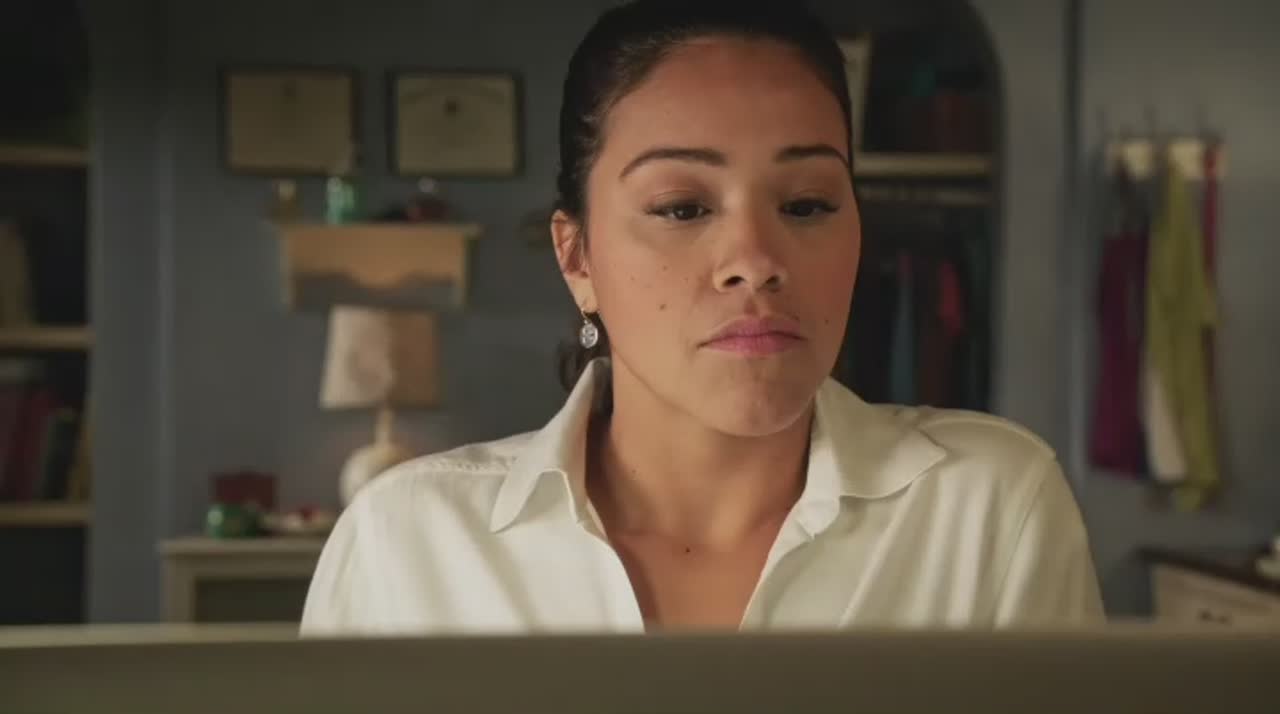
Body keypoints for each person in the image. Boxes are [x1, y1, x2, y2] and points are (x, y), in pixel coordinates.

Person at [301, 0, 1103, 635]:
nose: (755, 258)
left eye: (807, 203)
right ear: (578, 259)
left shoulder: (987, 509)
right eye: (682, 207)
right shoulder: (409, 544)